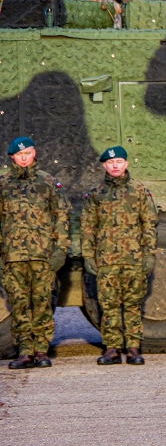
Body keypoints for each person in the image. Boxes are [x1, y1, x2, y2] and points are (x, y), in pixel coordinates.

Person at [82, 146, 157, 366]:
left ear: (126, 164)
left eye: (119, 161)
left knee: (133, 305)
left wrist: (149, 255)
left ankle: (133, 348)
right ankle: (112, 348)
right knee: (109, 306)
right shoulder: (96, 193)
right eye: (111, 162)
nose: (115, 165)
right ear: (104, 165)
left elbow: (149, 225)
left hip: (134, 258)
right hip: (106, 261)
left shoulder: (140, 191)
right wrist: (88, 256)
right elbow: (88, 227)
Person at [0, 136, 71, 369]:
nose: (23, 158)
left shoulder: (48, 182)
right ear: (12, 157)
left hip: (43, 255)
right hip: (13, 256)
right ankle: (25, 351)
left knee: (42, 302)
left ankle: (41, 350)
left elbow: (61, 217)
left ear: (34, 153)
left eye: (27, 153)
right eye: (19, 155)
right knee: (19, 304)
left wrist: (61, 250)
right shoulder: (3, 184)